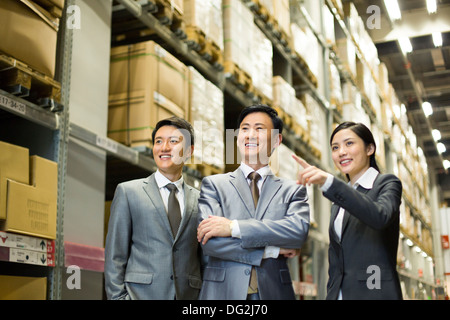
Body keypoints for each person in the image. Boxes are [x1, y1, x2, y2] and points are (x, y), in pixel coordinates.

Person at [196, 104, 310, 300]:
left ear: (277, 140)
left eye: (259, 129)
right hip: (224, 293)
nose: (250, 135)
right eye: (245, 128)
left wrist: (233, 228)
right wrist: (272, 250)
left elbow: (297, 232)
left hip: (274, 292)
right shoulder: (214, 185)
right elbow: (210, 242)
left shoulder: (293, 190)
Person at [292, 121, 403, 300]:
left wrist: (329, 183)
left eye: (349, 143)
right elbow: (336, 262)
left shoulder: (387, 184)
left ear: (370, 149)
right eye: (335, 148)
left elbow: (379, 216)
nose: (341, 152)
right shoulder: (338, 203)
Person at [104, 116, 202, 300]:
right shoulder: (129, 192)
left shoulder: (201, 200)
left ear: (189, 151)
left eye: (173, 141)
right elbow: (115, 256)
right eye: (158, 141)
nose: (164, 147)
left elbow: (203, 258)